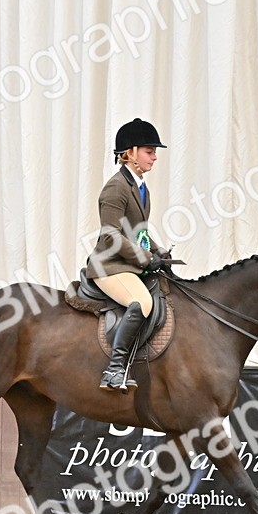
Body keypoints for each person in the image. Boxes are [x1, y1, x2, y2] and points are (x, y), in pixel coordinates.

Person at [85, 118, 169, 392]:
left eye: (154, 152)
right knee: (141, 301)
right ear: (130, 153)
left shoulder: (141, 187)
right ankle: (115, 369)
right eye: (149, 151)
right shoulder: (116, 188)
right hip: (110, 266)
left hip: (128, 264)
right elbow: (110, 236)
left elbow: (137, 231)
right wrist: (145, 258)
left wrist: (159, 252)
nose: (154, 157)